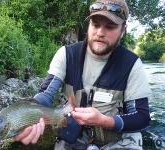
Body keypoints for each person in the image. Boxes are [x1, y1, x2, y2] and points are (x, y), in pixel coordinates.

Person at [14, 0, 151, 149]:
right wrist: (28, 115)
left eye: (110, 27)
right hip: (72, 138)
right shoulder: (66, 54)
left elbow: (141, 117)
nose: (100, 33)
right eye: (95, 25)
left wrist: (104, 121)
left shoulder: (131, 64)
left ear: (123, 30)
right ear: (89, 25)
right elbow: (46, 95)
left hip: (115, 141)